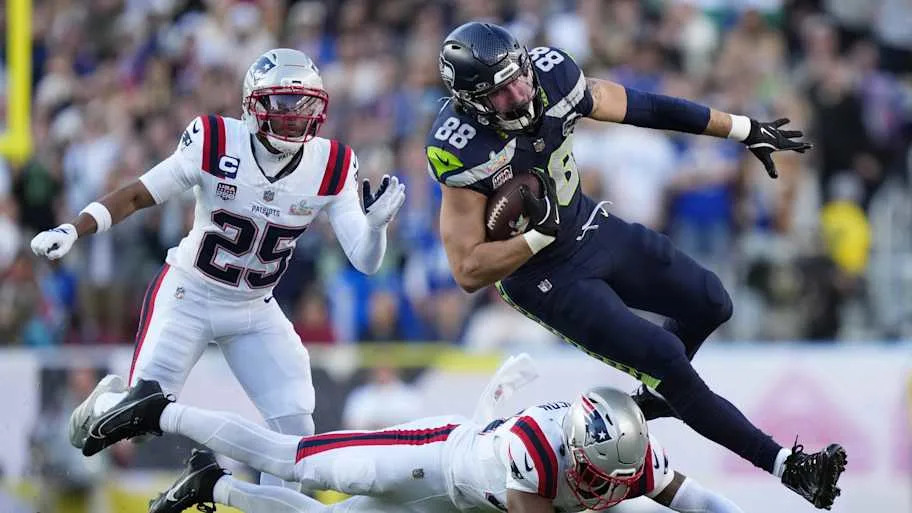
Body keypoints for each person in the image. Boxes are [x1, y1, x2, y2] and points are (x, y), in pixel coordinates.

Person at [425, 22, 844, 509]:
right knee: (666, 359)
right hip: (540, 276)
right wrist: (535, 237)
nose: (519, 94)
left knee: (711, 301)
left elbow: (644, 108)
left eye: (519, 78)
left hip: (586, 225)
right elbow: (468, 270)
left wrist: (741, 128)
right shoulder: (461, 148)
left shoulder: (552, 75)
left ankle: (655, 398)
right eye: (501, 93)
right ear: (472, 102)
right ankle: (787, 467)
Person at [30, 49, 406, 488]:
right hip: (190, 293)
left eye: (304, 104)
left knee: (296, 435)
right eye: (283, 102)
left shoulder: (332, 164)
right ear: (252, 105)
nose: (294, 116)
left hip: (254, 308)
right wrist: (75, 228)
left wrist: (376, 228)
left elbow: (365, 260)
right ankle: (101, 405)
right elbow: (139, 194)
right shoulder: (215, 139)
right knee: (140, 420)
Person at [73, 377, 756, 513]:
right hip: (434, 458)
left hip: (462, 505)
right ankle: (158, 410)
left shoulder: (634, 457)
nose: (607, 488)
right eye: (595, 475)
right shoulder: (537, 449)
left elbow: (698, 501)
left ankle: (212, 485)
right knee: (298, 464)